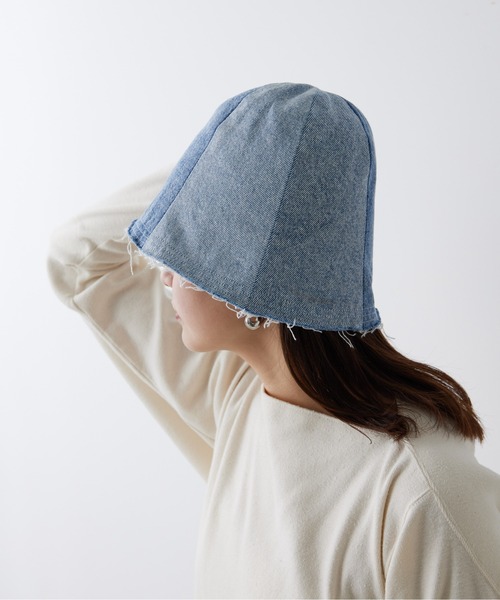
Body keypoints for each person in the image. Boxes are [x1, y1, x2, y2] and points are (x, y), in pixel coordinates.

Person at [48, 83, 500, 599]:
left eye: (191, 244)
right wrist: (227, 162)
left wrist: (254, 175)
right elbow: (75, 258)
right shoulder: (244, 396)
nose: (164, 274)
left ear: (256, 266)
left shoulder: (422, 493)